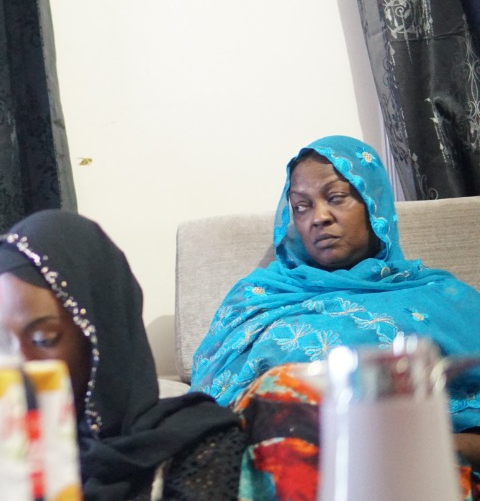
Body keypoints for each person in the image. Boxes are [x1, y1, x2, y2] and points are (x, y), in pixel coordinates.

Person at [190, 135, 480, 464]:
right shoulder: (257, 297)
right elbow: (205, 416)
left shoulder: (444, 299)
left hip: (408, 472)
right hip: (266, 471)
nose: (319, 217)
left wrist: (419, 446)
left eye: (336, 197)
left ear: (373, 204)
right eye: (301, 206)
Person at [0, 209, 255, 501]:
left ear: (101, 333)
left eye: (44, 338)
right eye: (3, 343)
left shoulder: (196, 439)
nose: (20, 365)